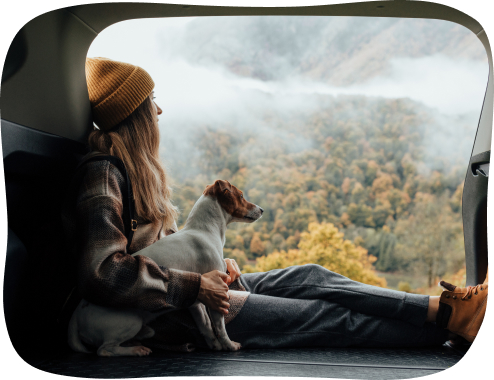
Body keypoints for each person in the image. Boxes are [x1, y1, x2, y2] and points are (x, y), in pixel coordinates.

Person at [62, 57, 488, 353]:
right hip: (176, 314)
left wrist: (214, 267)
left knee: (310, 274)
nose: (159, 109)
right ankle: (457, 330)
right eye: (150, 101)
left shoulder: (134, 172)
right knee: (325, 316)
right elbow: (102, 274)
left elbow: (160, 249)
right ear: (135, 115)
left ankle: (446, 310)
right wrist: (195, 286)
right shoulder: (104, 175)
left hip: (197, 293)